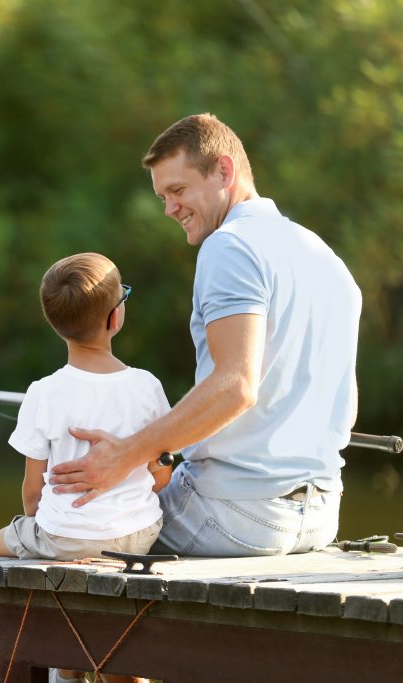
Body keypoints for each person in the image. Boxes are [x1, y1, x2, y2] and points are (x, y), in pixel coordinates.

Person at [49, 113, 362, 557]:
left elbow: (236, 386)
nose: (169, 208)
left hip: (235, 516)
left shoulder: (230, 245)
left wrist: (127, 455)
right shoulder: (325, 258)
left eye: (177, 191)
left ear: (224, 171)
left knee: (67, 527)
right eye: (162, 196)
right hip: (320, 517)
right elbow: (344, 407)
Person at [0, 252, 172, 683]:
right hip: (139, 537)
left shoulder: (43, 393)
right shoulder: (147, 386)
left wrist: (44, 529)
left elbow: (31, 493)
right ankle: (85, 673)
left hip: (64, 536)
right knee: (98, 601)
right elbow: (162, 476)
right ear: (115, 318)